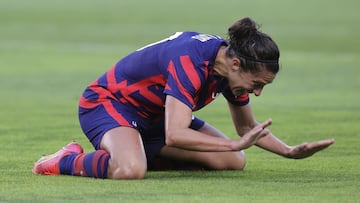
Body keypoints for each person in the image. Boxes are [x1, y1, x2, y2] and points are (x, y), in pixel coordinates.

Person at [32, 17, 334, 179]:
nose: (257, 92)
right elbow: (175, 134)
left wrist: (289, 151)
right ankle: (66, 161)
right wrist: (231, 142)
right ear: (236, 64)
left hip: (153, 117)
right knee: (130, 171)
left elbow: (246, 130)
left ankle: (138, 151)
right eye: (257, 84)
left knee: (232, 161)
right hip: (109, 105)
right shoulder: (191, 60)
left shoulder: (227, 68)